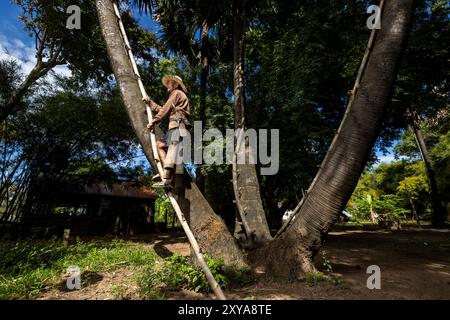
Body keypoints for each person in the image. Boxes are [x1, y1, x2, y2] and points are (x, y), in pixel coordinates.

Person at [142, 75, 191, 188]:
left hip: (178, 127)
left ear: (176, 84)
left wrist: (154, 121)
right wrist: (150, 103)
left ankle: (167, 179)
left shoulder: (177, 93)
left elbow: (165, 109)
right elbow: (165, 109)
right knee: (160, 145)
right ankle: (166, 174)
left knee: (172, 149)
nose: (167, 85)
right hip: (176, 127)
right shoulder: (177, 97)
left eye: (169, 83)